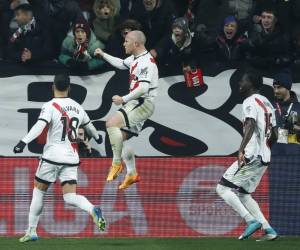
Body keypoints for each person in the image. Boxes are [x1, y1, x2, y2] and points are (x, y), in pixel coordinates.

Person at [13, 74, 105, 242]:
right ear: (69, 87)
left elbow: (40, 125)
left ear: (53, 86)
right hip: (71, 158)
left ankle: (32, 231)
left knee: (39, 192)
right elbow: (90, 127)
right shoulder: (78, 107)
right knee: (70, 196)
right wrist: (98, 137)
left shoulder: (49, 106)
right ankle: (92, 209)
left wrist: (23, 142)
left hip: (52, 157)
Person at [216, 70, 279, 241]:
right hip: (264, 157)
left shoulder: (249, 101)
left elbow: (250, 124)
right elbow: (274, 134)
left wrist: (242, 149)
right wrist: (265, 148)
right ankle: (268, 230)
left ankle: (250, 220)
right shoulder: (266, 102)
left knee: (222, 188)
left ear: (251, 83)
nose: (239, 84)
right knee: (243, 194)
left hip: (252, 155)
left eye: (242, 81)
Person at [94, 30, 158, 190]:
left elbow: (143, 88)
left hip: (142, 103)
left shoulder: (146, 63)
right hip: (137, 103)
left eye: (127, 41)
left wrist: (123, 99)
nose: (124, 43)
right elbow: (121, 63)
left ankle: (116, 164)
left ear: (136, 44)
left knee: (110, 124)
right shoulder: (136, 58)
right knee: (119, 139)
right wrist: (103, 54)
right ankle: (131, 173)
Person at [272, 71, 300, 154]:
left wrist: (295, 127)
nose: (276, 91)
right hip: (273, 155)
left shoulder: (298, 107)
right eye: (274, 87)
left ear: (287, 88)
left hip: (294, 156)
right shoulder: (270, 106)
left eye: (279, 87)